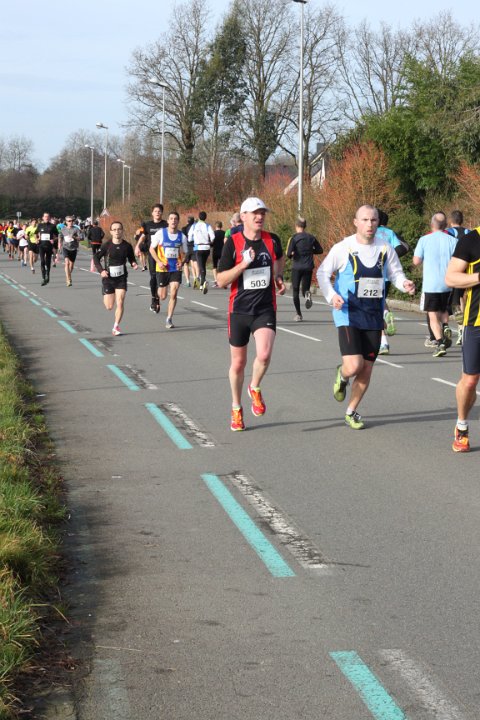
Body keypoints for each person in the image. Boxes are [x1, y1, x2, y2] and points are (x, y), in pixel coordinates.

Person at [317, 204, 415, 430]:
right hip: (348, 313)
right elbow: (322, 272)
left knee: (367, 369)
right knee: (354, 366)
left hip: (373, 315)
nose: (370, 224)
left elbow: (395, 274)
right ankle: (342, 375)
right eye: (365, 220)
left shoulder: (385, 248)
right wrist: (331, 296)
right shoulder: (344, 247)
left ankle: (351, 411)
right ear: (355, 222)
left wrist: (405, 284)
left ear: (378, 222)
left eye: (373, 220)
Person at [217, 197, 285, 432]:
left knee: (264, 355)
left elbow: (279, 259)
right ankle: (236, 407)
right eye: (255, 213)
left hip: (265, 308)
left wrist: (278, 276)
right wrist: (242, 265)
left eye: (262, 213)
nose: (260, 217)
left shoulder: (272, 240)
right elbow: (220, 280)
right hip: (239, 310)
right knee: (238, 363)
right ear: (243, 216)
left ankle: (254, 387)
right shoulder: (233, 243)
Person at [445, 224, 480, 451]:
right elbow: (451, 278)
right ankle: (462, 425)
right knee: (470, 380)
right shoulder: (471, 240)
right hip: (476, 321)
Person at [413, 212, 457, 357]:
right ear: (446, 225)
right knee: (444, 310)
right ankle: (445, 326)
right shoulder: (453, 240)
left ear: (432, 224)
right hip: (448, 283)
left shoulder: (424, 240)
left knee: (432, 315)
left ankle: (440, 342)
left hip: (431, 285)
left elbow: (416, 261)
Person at [93, 221, 138, 336]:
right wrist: (101, 271)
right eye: (114, 229)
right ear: (111, 232)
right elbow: (96, 258)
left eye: (119, 229)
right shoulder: (106, 245)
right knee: (109, 306)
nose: (117, 231)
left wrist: (133, 263)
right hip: (108, 278)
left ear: (122, 231)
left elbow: (131, 258)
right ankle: (105, 291)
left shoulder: (127, 246)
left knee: (120, 302)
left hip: (121, 278)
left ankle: (116, 326)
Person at [375, 210, 409, 354]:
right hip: (388, 275)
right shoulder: (389, 233)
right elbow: (402, 248)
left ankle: (383, 342)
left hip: (372, 275)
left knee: (375, 308)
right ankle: (386, 314)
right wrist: (389, 259)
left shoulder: (369, 232)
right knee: (381, 301)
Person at [149, 211, 188, 329]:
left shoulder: (182, 236)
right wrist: (158, 262)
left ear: (178, 221)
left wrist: (182, 262)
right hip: (163, 268)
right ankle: (156, 298)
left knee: (174, 292)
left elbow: (186, 253)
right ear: (168, 221)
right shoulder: (160, 233)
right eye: (171, 218)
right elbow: (151, 249)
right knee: (163, 296)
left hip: (175, 268)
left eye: (175, 219)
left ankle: (169, 318)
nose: (173, 221)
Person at [286, 217, 322, 321]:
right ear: (305, 226)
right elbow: (320, 250)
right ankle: (307, 295)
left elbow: (288, 253)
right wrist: (310, 251)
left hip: (297, 267)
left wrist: (294, 253)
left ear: (296, 226)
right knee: (305, 290)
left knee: (295, 291)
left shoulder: (293, 238)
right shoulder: (311, 237)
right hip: (308, 267)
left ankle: (299, 315)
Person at [134, 204, 167, 313]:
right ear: (152, 213)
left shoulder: (165, 224)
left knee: (161, 278)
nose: (157, 213)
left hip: (163, 256)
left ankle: (158, 296)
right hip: (152, 254)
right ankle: (154, 299)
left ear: (162, 213)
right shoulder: (148, 225)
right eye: (155, 211)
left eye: (159, 211)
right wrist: (137, 246)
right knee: (153, 277)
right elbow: (143, 236)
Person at [447, 210, 470, 346]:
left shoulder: (448, 233)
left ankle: (457, 328)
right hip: (468, 269)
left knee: (453, 300)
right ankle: (463, 328)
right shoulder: (469, 232)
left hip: (455, 268)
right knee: (463, 298)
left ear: (451, 220)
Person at [188, 211, 215, 294]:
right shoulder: (207, 226)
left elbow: (189, 238)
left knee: (201, 266)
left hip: (198, 247)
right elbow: (213, 236)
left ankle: (203, 282)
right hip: (206, 248)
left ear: (199, 217)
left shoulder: (194, 226)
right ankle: (201, 284)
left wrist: (194, 239)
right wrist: (210, 241)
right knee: (203, 265)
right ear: (205, 218)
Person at [36, 212, 59, 286]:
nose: (46, 218)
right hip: (41, 246)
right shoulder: (40, 225)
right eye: (45, 216)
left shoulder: (53, 226)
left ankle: (47, 276)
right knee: (42, 261)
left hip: (49, 246)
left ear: (49, 218)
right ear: (43, 218)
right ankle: (43, 277)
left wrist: (53, 240)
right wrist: (37, 239)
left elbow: (57, 236)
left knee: (48, 262)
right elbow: (36, 233)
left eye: (48, 216)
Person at [59, 216, 80, 287]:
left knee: (71, 266)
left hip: (73, 248)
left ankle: (68, 276)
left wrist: (74, 237)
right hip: (65, 248)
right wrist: (59, 245)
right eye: (69, 221)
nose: (71, 222)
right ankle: (68, 279)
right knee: (67, 263)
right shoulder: (63, 229)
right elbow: (60, 237)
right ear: (66, 222)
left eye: (72, 221)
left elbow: (81, 238)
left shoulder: (76, 229)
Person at [181, 215, 197, 287]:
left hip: (187, 247)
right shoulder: (196, 228)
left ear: (187, 221)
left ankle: (188, 281)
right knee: (194, 263)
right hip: (195, 247)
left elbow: (183, 238)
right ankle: (196, 278)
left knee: (186, 264)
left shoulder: (184, 228)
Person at [212, 221, 225, 287]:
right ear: (221, 226)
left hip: (215, 251)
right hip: (222, 251)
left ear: (215, 226)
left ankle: (216, 280)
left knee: (214, 266)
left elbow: (211, 243)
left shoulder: (213, 233)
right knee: (222, 266)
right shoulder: (224, 233)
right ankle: (223, 280)